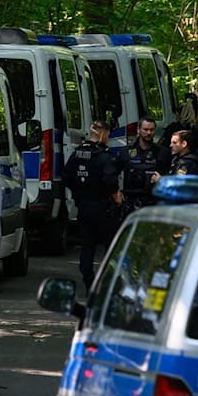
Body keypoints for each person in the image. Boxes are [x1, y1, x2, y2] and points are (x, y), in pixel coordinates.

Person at [63, 120, 122, 292]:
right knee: (110, 246)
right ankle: (107, 284)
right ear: (103, 134)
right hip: (103, 208)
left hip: (84, 207)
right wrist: (116, 196)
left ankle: (89, 280)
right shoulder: (102, 155)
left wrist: (79, 192)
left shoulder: (77, 153)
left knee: (87, 245)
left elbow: (66, 177)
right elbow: (111, 180)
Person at [120, 116, 169, 215]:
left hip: (153, 202)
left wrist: (162, 179)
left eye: (151, 130)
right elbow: (113, 171)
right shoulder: (126, 151)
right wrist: (116, 192)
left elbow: (170, 177)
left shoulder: (163, 152)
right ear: (138, 130)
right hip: (131, 201)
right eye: (145, 130)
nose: (148, 133)